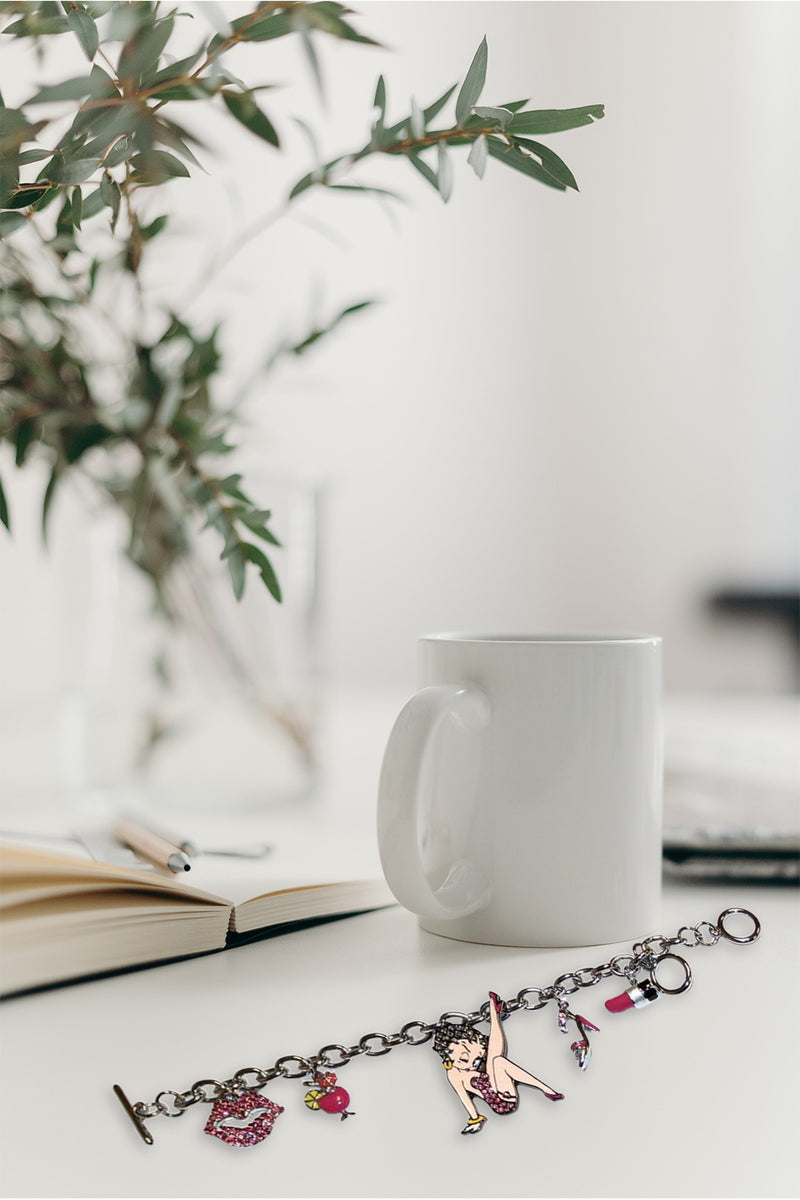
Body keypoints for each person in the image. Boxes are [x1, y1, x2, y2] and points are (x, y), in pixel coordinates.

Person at [432, 992, 564, 1135]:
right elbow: (463, 1096)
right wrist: (474, 1119)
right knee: (498, 1061)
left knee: (495, 1059)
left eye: (472, 1057)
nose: (470, 1062)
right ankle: (546, 1089)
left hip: (501, 1087)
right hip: (503, 1102)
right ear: (448, 1058)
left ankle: (495, 1012)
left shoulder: (473, 1059)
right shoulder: (454, 1074)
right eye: (463, 1059)